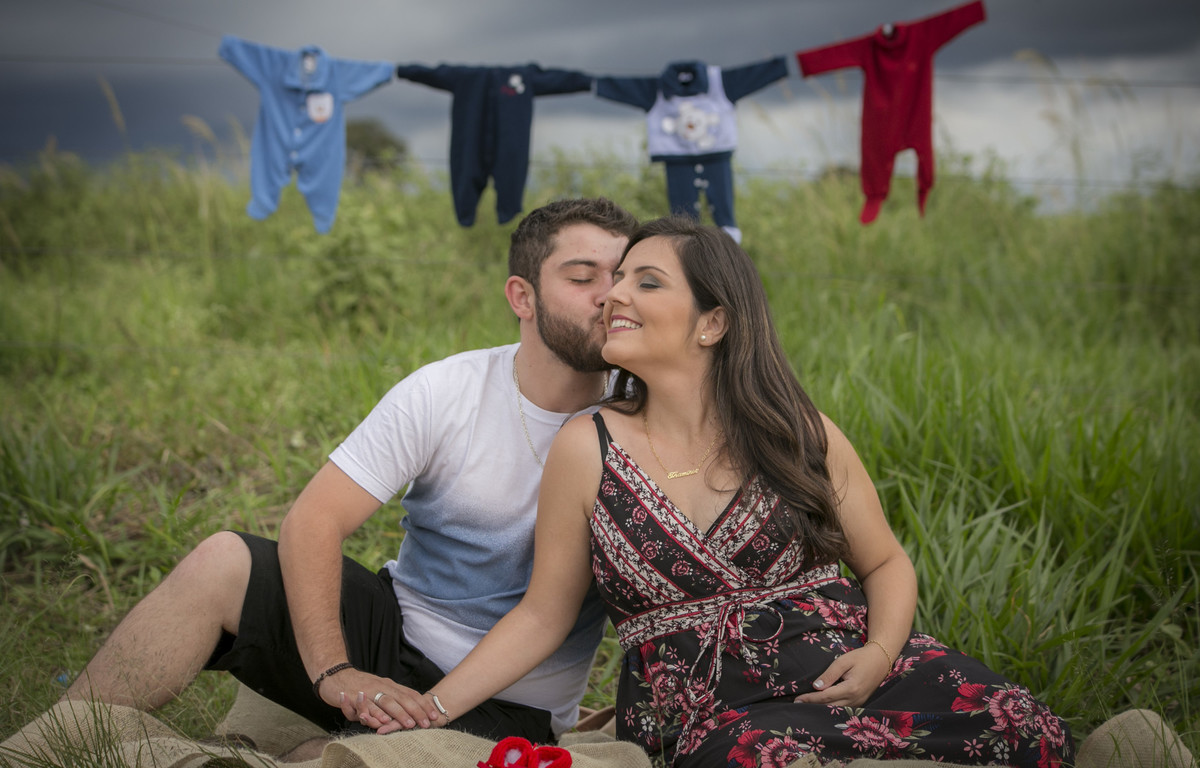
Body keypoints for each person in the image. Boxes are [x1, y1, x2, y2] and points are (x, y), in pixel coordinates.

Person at [384, 216, 1075, 768]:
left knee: (1030, 731)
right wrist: (432, 710)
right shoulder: (586, 447)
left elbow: (886, 562)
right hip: (714, 713)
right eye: (616, 280)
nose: (615, 295)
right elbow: (542, 616)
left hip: (849, 669)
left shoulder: (796, 430)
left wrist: (880, 655)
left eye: (646, 282)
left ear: (711, 322)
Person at [61, 197, 638, 744]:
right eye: (582, 278)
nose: (609, 296)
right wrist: (334, 670)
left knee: (332, 759)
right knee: (222, 562)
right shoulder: (447, 391)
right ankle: (59, 741)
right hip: (393, 636)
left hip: (512, 704)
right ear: (522, 297)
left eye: (623, 276)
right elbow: (315, 519)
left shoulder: (646, 419)